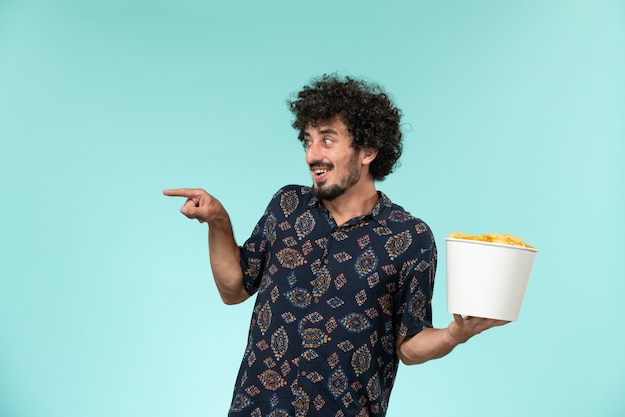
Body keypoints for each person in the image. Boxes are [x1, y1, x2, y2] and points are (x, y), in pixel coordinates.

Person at [164, 74, 508, 417]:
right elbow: (234, 289)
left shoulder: (410, 238)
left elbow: (409, 344)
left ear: (368, 151)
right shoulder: (287, 206)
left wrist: (454, 334)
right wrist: (219, 221)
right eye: (308, 141)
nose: (312, 155)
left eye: (327, 141)